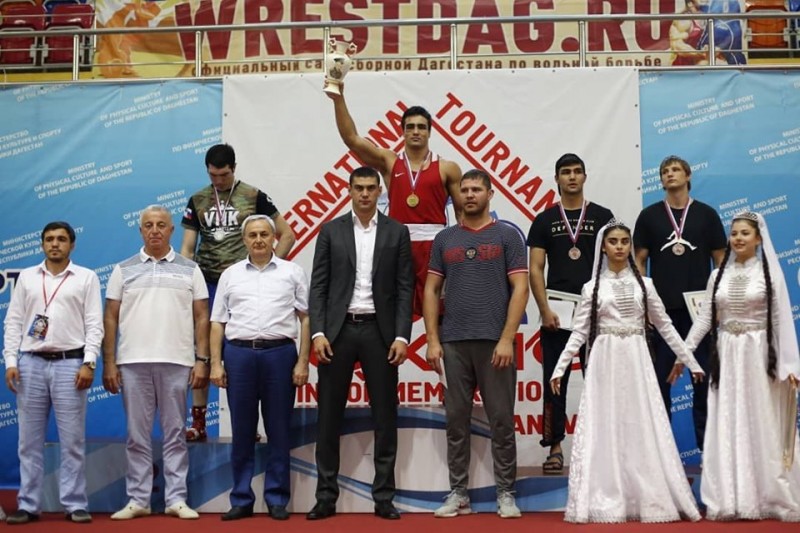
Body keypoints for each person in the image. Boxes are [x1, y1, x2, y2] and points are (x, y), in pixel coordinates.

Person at [551, 220, 703, 523]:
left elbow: (666, 327)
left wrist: (691, 361)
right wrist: (559, 367)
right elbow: (579, 332)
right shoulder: (591, 287)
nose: (619, 246)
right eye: (613, 241)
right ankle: (609, 494)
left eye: (624, 241)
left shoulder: (645, 285)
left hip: (636, 358)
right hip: (605, 360)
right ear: (603, 248)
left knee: (640, 421)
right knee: (606, 423)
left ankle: (645, 494)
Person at [307, 166, 413, 521]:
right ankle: (325, 497)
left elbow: (405, 288)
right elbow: (318, 287)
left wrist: (401, 336)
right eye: (359, 188)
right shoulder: (330, 230)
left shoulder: (397, 231)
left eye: (370, 188)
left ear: (380, 191)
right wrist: (318, 332)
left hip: (380, 334)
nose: (365, 194)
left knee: (385, 416)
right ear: (349, 191)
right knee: (328, 417)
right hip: (337, 333)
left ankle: (384, 497)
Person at [424, 169, 529, 519]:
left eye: (476, 189)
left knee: (501, 421)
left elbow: (521, 288)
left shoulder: (507, 235)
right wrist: (433, 339)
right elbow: (430, 290)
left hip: (495, 343)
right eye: (464, 190)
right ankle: (459, 494)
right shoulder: (445, 239)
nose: (469, 195)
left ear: (490, 194)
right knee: (456, 421)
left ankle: (506, 493)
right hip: (453, 343)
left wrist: (507, 339)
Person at [684, 211, 800, 521]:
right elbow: (705, 319)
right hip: (727, 356)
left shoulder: (769, 274)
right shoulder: (717, 276)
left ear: (759, 238)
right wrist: (684, 353)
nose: (737, 238)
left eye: (745, 233)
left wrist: (790, 365)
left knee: (760, 419)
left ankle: (766, 494)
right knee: (728, 419)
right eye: (734, 233)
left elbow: (780, 322)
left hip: (759, 355)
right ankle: (732, 495)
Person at [181, 143, 295, 442]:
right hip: (207, 284)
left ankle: (248, 428)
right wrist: (186, 284)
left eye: (224, 175)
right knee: (203, 352)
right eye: (213, 175)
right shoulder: (198, 199)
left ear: (234, 168)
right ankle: (198, 423)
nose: (219, 181)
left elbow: (287, 234)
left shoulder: (253, 195)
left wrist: (271, 268)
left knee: (241, 353)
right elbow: (188, 248)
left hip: (242, 286)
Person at [102, 205, 210, 520]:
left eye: (161, 225)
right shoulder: (123, 269)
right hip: (132, 362)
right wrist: (109, 362)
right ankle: (138, 499)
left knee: (175, 433)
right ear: (140, 231)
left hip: (177, 361)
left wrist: (202, 360)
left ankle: (176, 499)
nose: (155, 230)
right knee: (137, 435)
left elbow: (202, 317)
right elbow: (110, 318)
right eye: (148, 225)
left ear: (172, 230)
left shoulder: (191, 269)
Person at [209, 214, 310, 522]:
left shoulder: (292, 272)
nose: (258, 240)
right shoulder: (230, 274)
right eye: (252, 235)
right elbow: (217, 322)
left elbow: (306, 318)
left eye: (264, 234)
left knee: (279, 429)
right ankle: (241, 498)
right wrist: (216, 363)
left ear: (273, 238)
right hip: (238, 355)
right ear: (244, 240)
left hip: (280, 354)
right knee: (242, 431)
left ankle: (277, 497)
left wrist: (303, 361)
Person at [328, 89, 462, 317]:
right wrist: (338, 98)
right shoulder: (389, 162)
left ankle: (437, 341)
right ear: (403, 132)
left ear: (430, 132)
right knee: (393, 311)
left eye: (421, 127)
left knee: (440, 313)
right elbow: (352, 139)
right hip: (397, 244)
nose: (416, 131)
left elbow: (462, 214)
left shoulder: (447, 167)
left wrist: (461, 250)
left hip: (434, 247)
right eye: (410, 127)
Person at [3, 221, 103, 525]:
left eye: (61, 239)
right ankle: (28, 504)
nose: (55, 244)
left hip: (70, 364)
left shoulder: (86, 277)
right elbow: (13, 321)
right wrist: (11, 361)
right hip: (30, 364)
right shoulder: (27, 278)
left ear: (72, 244)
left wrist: (89, 363)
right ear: (42, 244)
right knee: (28, 442)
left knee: (72, 441)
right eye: (49, 239)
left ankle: (75, 503)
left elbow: (94, 324)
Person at [527, 153, 613, 475]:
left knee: (598, 381)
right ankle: (554, 447)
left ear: (585, 176)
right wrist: (544, 309)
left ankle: (601, 447)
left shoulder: (603, 217)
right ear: (557, 179)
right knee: (554, 381)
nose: (572, 177)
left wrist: (606, 306)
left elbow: (614, 263)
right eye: (566, 172)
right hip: (557, 315)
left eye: (577, 171)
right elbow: (536, 268)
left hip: (595, 313)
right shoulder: (545, 220)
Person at [633, 155, 726, 451]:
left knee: (704, 381)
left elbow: (721, 261)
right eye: (665, 171)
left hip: (700, 313)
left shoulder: (707, 215)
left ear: (688, 175)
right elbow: (639, 262)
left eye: (675, 170)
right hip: (663, 314)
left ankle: (708, 450)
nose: (669, 174)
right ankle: (662, 452)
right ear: (661, 179)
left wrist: (719, 304)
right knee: (661, 382)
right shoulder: (649, 216)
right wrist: (644, 306)